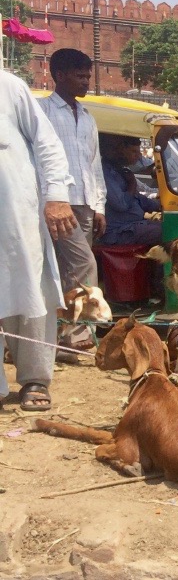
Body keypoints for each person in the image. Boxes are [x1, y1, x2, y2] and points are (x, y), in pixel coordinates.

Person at [0, 69, 75, 411]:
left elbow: (48, 144)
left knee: (31, 289)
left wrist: (57, 195)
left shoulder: (9, 87)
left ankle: (35, 378)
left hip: (16, 214)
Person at [38, 48, 104, 354]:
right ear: (59, 75)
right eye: (80, 76)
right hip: (56, 203)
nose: (86, 81)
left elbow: (94, 164)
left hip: (85, 202)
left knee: (68, 271)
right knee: (82, 264)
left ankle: (60, 338)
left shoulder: (88, 117)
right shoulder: (42, 112)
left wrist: (99, 206)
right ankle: (78, 335)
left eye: (88, 76)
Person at [98, 134, 162, 246]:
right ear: (121, 150)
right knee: (168, 231)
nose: (138, 156)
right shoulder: (105, 173)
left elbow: (138, 198)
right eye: (133, 152)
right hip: (118, 232)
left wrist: (161, 204)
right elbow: (121, 204)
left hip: (134, 225)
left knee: (171, 225)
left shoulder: (120, 171)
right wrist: (132, 184)